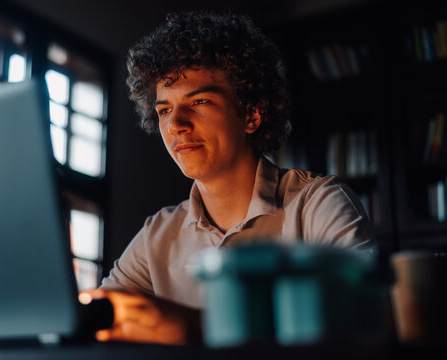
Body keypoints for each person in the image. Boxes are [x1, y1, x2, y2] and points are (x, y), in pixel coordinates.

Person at [82, 11, 373, 345]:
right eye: (164, 110)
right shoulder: (156, 236)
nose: (176, 123)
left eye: (200, 101)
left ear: (251, 114)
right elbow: (96, 319)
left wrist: (194, 326)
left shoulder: (319, 203)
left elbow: (360, 326)